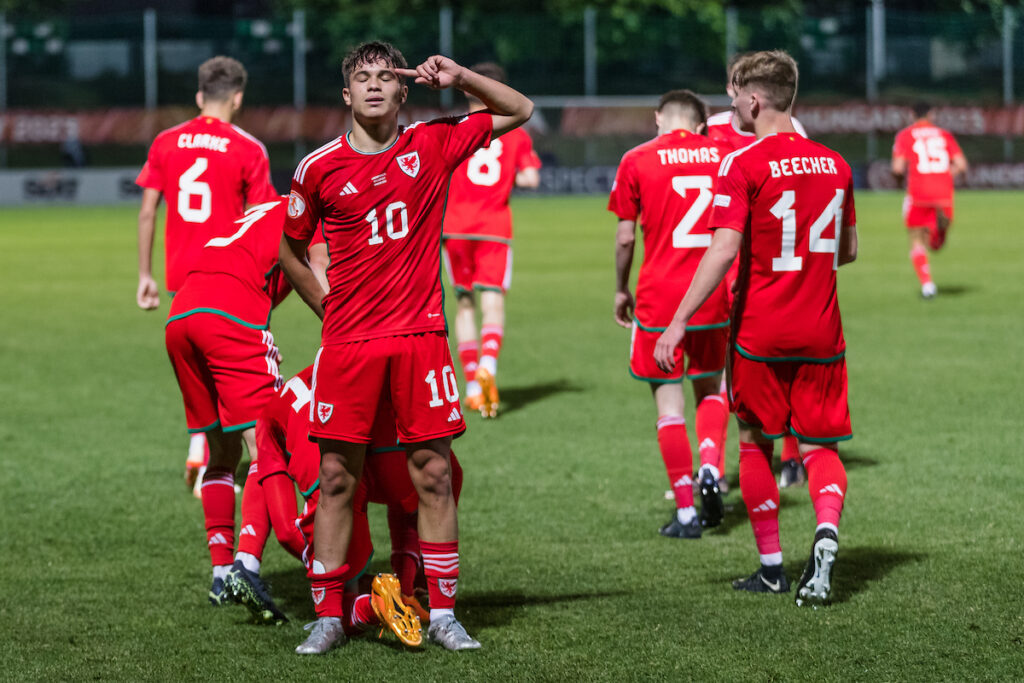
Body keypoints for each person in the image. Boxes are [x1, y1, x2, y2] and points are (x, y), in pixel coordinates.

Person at [278, 41, 533, 653]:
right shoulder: (316, 168)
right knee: (338, 477)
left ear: (402, 90)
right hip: (349, 344)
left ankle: (443, 612)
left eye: (383, 78)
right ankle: (329, 615)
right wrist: (325, 304)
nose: (372, 87)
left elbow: (520, 109)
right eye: (360, 79)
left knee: (435, 474)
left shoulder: (433, 143)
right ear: (346, 94)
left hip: (420, 340)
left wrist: (462, 77)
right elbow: (289, 245)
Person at [654, 50, 858, 607]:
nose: (730, 108)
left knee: (752, 441)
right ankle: (826, 533)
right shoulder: (837, 164)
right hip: (822, 330)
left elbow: (723, 250)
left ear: (754, 99)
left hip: (760, 330)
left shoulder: (743, 164)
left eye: (733, 98)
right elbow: (849, 251)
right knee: (819, 445)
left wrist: (677, 323)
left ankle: (772, 567)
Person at [224, 365, 463, 649]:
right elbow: (295, 530)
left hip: (345, 424)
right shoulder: (324, 453)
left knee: (340, 568)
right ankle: (376, 602)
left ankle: (382, 596)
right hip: (304, 432)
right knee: (341, 568)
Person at [135, 56, 278, 490]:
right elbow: (263, 219)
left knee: (197, 370)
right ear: (238, 97)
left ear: (199, 96)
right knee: (238, 375)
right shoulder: (249, 148)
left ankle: (202, 451)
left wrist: (145, 273)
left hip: (184, 278)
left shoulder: (165, 141)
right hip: (233, 278)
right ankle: (237, 466)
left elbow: (146, 212)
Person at [608, 90, 730, 539]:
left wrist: (621, 289)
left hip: (660, 300)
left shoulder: (637, 158)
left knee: (668, 403)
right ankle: (712, 467)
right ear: (700, 124)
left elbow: (624, 238)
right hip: (713, 297)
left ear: (658, 118)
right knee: (713, 388)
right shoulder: (723, 156)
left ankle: (684, 513)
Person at [164, 198, 292, 603]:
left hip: (181, 315)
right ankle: (247, 565)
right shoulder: (315, 213)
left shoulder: (260, 212)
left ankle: (220, 574)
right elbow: (322, 282)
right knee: (268, 446)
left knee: (222, 448)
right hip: (230, 318)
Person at [706, 52, 809, 490]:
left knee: (743, 369)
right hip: (731, 255)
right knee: (741, 369)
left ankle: (769, 459)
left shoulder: (718, 127)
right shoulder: (712, 127)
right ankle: (730, 465)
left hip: (750, 256)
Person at [442, 62, 542, 418]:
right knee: (493, 302)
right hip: (493, 228)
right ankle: (488, 364)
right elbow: (530, 179)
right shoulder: (515, 131)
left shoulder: (452, 128)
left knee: (464, 304)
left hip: (453, 228)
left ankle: (471, 385)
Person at [891, 102, 967, 299]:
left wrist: (899, 182)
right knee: (936, 245)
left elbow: (898, 168)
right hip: (943, 194)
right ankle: (939, 231)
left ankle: (927, 286)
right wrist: (944, 176)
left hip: (918, 194)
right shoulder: (944, 134)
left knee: (917, 241)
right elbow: (961, 165)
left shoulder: (905, 135)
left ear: (912, 114)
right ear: (932, 114)